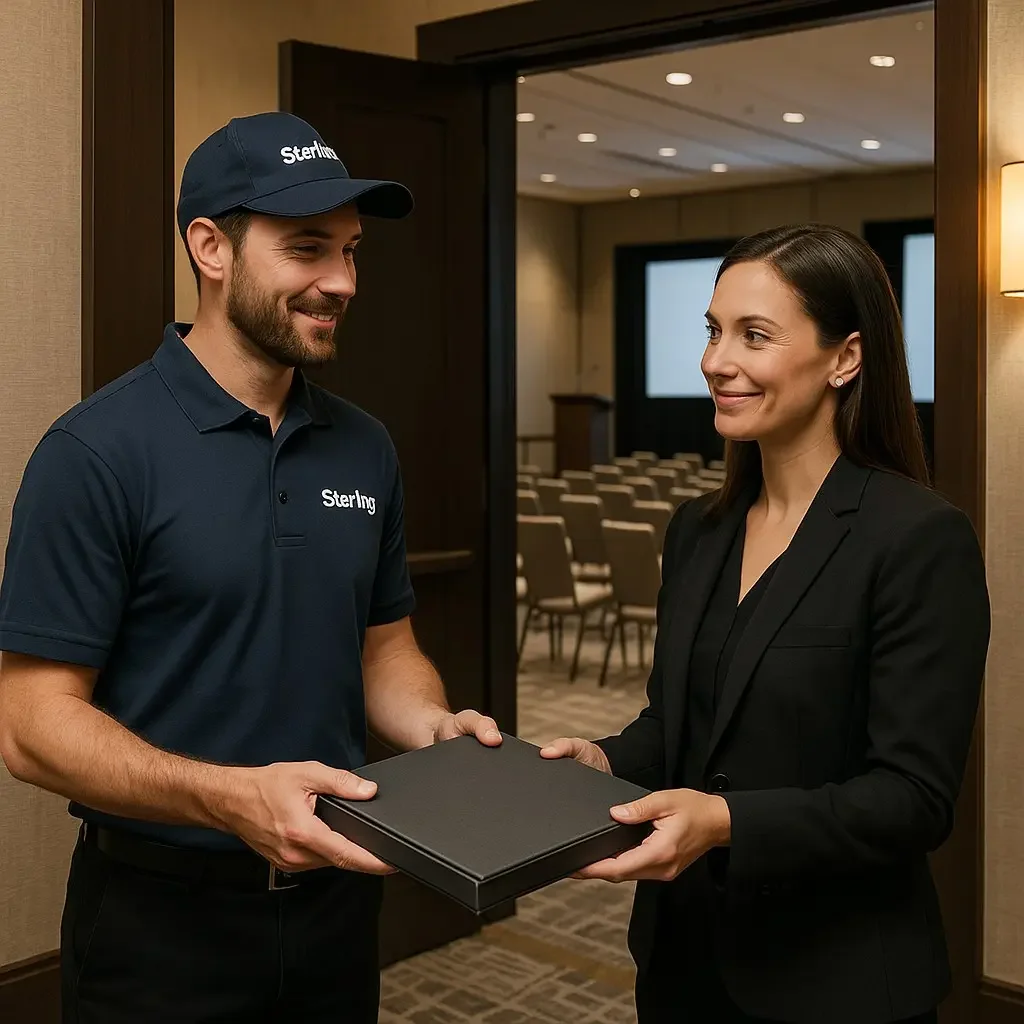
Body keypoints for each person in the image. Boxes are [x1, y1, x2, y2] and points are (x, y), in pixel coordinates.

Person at [0, 111, 501, 1023]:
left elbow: (384, 652)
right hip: (158, 924)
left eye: (351, 252)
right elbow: (30, 726)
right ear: (210, 247)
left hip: (337, 907)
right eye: (308, 248)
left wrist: (435, 729)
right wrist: (228, 798)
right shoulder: (96, 452)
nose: (341, 281)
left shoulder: (365, 447)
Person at [541, 224, 990, 1024]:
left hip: (836, 980)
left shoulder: (918, 538)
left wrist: (726, 823)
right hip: (685, 963)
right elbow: (682, 727)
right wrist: (605, 759)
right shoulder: (698, 530)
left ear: (845, 359)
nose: (718, 361)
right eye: (713, 331)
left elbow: (913, 798)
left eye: (755, 335)